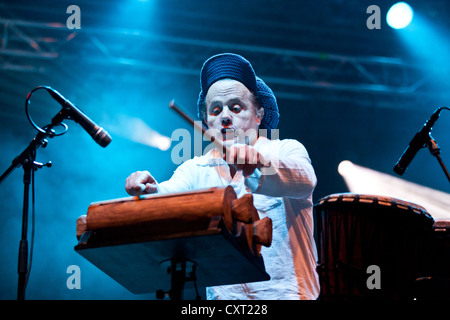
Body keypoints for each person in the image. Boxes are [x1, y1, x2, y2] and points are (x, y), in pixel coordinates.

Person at [125, 53, 319, 300]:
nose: (225, 116)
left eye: (236, 107)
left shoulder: (285, 150)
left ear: (258, 114)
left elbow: (304, 180)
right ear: (207, 122)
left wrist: (256, 161)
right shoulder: (196, 169)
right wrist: (150, 190)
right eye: (216, 110)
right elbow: (168, 197)